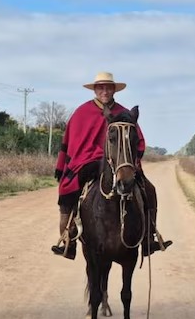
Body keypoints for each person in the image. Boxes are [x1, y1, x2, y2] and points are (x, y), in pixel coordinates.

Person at [51, 72, 172, 259]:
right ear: (95, 90)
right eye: (100, 87)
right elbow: (71, 141)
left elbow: (137, 140)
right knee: (69, 188)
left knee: (149, 189)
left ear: (114, 89)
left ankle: (149, 237)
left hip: (121, 162)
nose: (104, 91)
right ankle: (69, 238)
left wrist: (132, 161)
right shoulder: (82, 113)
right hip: (88, 160)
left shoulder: (124, 113)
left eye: (108, 87)